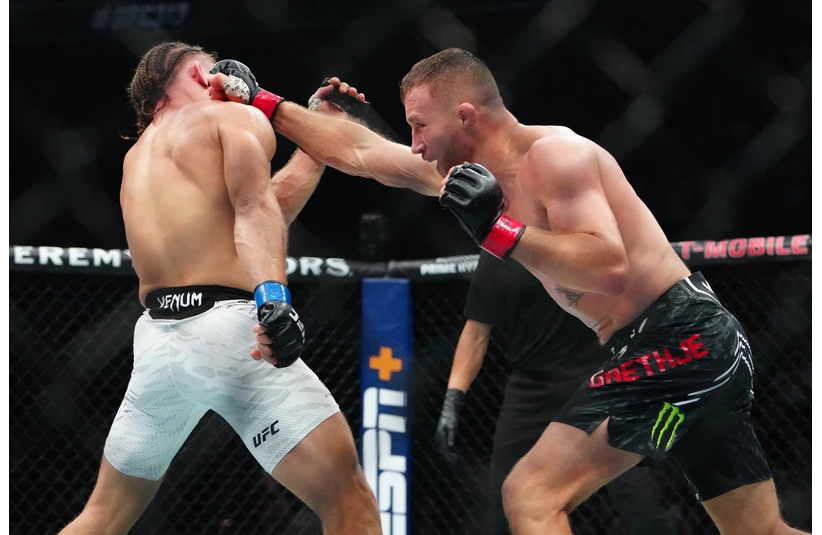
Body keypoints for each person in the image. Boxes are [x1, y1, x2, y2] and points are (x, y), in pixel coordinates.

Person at [208, 48, 809, 535]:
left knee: (532, 494)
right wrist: (265, 103)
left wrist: (501, 232)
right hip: (686, 360)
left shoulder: (555, 157)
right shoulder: (461, 177)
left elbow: (608, 268)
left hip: (681, 341)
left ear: (465, 116)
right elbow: (364, 153)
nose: (415, 144)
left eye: (421, 125)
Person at [58, 42, 381, 535]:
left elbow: (257, 216)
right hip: (229, 333)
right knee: (348, 500)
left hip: (158, 345)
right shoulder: (224, 121)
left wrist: (315, 143)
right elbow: (255, 211)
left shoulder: (138, 158)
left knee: (103, 517)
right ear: (195, 70)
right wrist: (273, 298)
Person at [436, 250, 675, 535]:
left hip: (598, 378)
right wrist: (453, 397)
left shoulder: (586, 231)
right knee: (502, 499)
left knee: (635, 495)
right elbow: (476, 332)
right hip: (530, 387)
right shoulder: (497, 248)